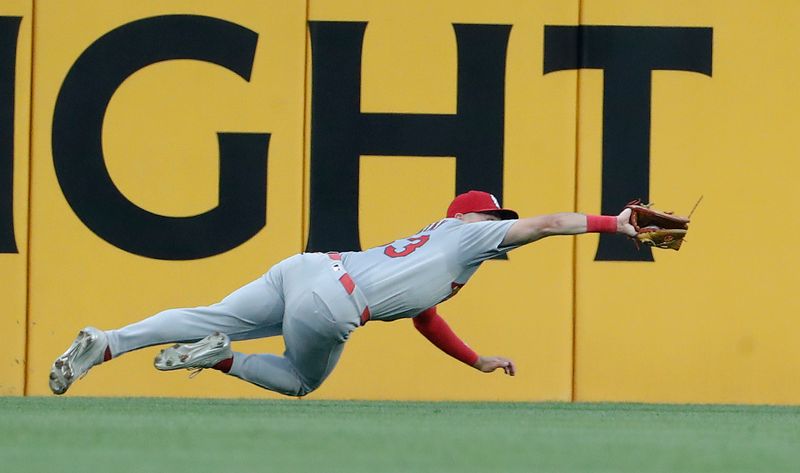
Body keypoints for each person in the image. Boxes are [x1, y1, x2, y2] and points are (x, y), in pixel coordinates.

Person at [49, 190, 637, 396]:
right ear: (473, 220)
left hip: (309, 268)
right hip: (333, 302)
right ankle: (222, 356)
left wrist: (476, 359)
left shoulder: (437, 249)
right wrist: (616, 224)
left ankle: (106, 342)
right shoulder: (469, 238)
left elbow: (425, 320)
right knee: (301, 381)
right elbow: (548, 224)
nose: (498, 224)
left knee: (206, 313)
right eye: (492, 217)